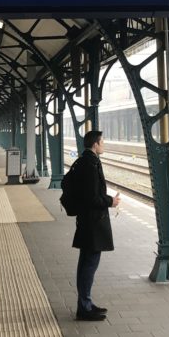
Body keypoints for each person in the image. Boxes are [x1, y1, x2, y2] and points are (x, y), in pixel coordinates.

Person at [71, 130, 120, 321]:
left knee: (85, 263)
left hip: (87, 221)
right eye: (103, 142)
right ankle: (84, 307)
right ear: (95, 144)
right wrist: (110, 201)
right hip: (93, 223)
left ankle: (86, 303)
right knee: (89, 265)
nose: (104, 145)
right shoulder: (91, 164)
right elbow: (92, 197)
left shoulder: (85, 161)